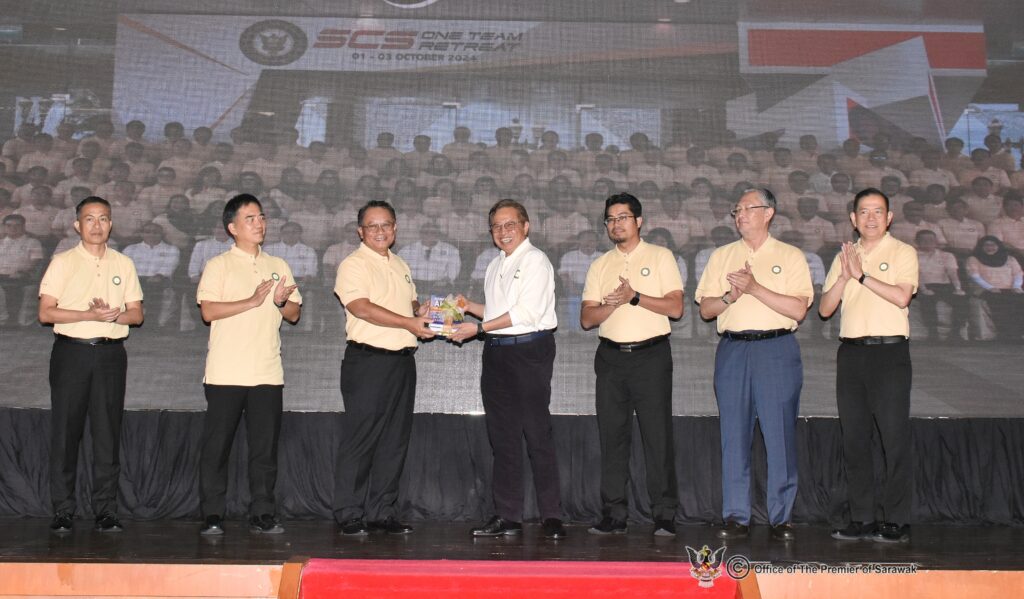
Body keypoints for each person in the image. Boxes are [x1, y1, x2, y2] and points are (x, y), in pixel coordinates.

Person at [695, 188, 813, 542]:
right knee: (733, 434)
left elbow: (798, 309)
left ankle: (781, 517)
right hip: (733, 350)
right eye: (737, 210)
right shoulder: (721, 256)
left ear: (769, 213)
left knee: (779, 434)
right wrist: (730, 296)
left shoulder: (790, 256)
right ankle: (736, 515)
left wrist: (754, 287)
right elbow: (706, 310)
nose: (740, 215)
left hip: (776, 348)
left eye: (748, 208)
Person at [449, 199, 565, 540]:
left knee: (537, 434)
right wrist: (467, 306)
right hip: (497, 352)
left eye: (510, 224)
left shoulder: (535, 260)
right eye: (496, 227)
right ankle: (508, 516)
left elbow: (526, 313)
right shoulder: (494, 264)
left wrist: (479, 328)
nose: (503, 231)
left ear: (526, 226)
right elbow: (497, 312)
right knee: (503, 438)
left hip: (529, 351)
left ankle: (551, 515)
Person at [196, 194, 302, 536]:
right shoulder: (219, 265)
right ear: (233, 227)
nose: (259, 224)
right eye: (250, 219)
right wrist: (252, 300)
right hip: (226, 371)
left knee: (264, 450)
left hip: (267, 371)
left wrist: (281, 302)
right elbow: (208, 311)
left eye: (262, 217)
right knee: (217, 447)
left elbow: (294, 314)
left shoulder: (278, 264)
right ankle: (213, 513)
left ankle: (263, 512)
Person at [580, 192, 685, 537]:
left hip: (651, 356)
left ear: (639, 221)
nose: (616, 224)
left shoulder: (660, 256)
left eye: (622, 217)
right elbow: (587, 318)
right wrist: (614, 304)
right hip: (611, 358)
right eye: (610, 219)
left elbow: (676, 308)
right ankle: (614, 514)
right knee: (612, 437)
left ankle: (664, 514)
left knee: (657, 436)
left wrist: (634, 296)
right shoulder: (600, 265)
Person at [38, 196, 144, 533]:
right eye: (89, 219)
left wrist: (113, 316)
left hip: (110, 355)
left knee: (107, 433)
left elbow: (136, 315)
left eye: (103, 219)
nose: (96, 225)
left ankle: (106, 510)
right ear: (77, 225)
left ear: (111, 224)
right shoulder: (62, 262)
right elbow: (46, 312)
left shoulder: (123, 263)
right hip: (72, 353)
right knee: (65, 433)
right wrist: (88, 315)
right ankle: (63, 510)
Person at [819, 188, 918, 544]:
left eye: (878, 211)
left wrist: (861, 276)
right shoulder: (845, 255)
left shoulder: (903, 252)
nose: (871, 218)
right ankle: (861, 517)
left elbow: (902, 296)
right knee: (855, 439)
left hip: (889, 354)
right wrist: (845, 275)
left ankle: (896, 519)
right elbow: (825, 309)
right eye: (864, 211)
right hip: (851, 354)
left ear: (889, 217)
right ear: (853, 218)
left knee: (894, 438)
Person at [332, 200, 435, 536]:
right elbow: (361, 307)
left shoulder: (400, 263)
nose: (380, 231)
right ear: (360, 231)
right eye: (372, 226)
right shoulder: (353, 264)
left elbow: (410, 303)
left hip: (402, 362)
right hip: (368, 361)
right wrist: (409, 322)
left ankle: (381, 512)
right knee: (361, 439)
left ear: (395, 228)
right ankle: (349, 512)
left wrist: (423, 311)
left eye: (386, 224)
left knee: (394, 440)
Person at [966, 235, 1024, 341]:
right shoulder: (973, 259)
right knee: (999, 301)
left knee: (1020, 300)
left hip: (1009, 289)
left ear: (998, 246)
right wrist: (990, 287)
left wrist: (1016, 286)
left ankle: (1017, 333)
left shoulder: (1010, 259)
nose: (990, 247)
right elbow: (974, 276)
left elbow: (1018, 273)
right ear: (981, 247)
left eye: (993, 245)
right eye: (986, 245)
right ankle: (1005, 334)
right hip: (986, 289)